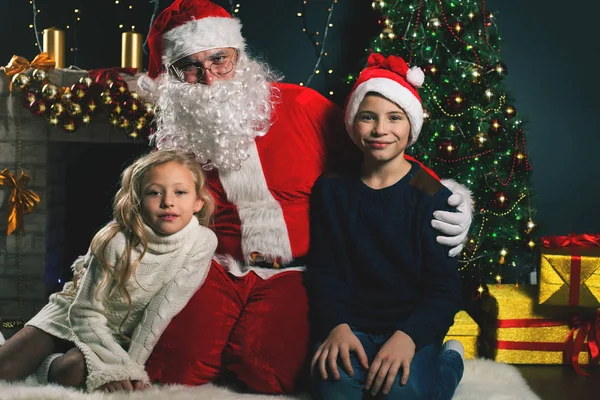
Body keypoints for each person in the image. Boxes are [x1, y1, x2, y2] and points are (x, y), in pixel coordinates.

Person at [136, 0, 473, 394]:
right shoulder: (177, 136)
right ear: (173, 75)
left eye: (219, 60)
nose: (209, 79)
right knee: (172, 368)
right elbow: (155, 201)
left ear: (239, 57)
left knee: (275, 373)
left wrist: (444, 195)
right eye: (190, 67)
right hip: (217, 267)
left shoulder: (300, 106)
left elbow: (378, 152)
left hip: (294, 271)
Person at [306, 54, 464, 400]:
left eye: (394, 118)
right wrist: (336, 327)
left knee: (403, 394)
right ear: (352, 123)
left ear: (411, 127)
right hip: (352, 325)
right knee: (332, 392)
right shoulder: (330, 190)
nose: (380, 130)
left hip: (409, 328)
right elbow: (322, 269)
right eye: (368, 117)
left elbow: (444, 288)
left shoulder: (433, 197)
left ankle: (450, 361)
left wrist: (409, 337)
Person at [0, 150, 217, 393]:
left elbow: (159, 314)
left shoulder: (202, 242)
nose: (168, 201)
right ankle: (34, 352)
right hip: (69, 315)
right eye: (155, 192)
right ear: (136, 199)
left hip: (112, 335)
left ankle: (46, 366)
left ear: (198, 201)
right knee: (4, 369)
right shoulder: (115, 240)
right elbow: (84, 311)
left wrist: (129, 368)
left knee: (74, 370)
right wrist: (122, 368)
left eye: (180, 192)